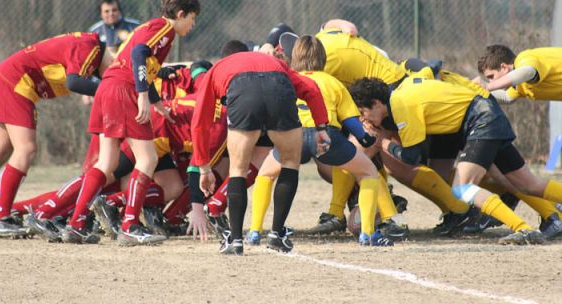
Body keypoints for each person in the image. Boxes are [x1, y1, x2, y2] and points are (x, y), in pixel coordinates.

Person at [350, 76, 562, 245]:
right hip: (484, 116)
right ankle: (523, 227)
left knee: (462, 187)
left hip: (480, 119)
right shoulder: (399, 95)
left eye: (363, 111)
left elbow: (411, 157)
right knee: (529, 185)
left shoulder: (400, 104)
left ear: (377, 103)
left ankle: (523, 229)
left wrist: (383, 142)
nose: (364, 118)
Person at [61, 0, 200, 246]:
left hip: (107, 88)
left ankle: (76, 224)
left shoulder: (150, 27)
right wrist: (143, 95)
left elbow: (143, 65)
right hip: (124, 90)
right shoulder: (165, 29)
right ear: (181, 14)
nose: (193, 24)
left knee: (106, 163)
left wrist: (157, 103)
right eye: (192, 18)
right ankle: (130, 226)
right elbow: (138, 56)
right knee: (147, 159)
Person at [0, 32, 113, 238]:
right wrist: (109, 88)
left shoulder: (89, 47)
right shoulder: (91, 47)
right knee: (26, 149)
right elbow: (74, 82)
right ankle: (0, 218)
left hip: (9, 76)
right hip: (17, 81)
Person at [247, 35, 391, 247]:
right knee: (368, 172)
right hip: (326, 136)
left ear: (294, 57)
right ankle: (368, 234)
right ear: (323, 58)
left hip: (292, 137)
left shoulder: (287, 79)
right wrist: (365, 138)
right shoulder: (333, 82)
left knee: (266, 175)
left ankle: (254, 231)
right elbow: (351, 121)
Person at [191, 47, 330, 255]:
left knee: (238, 168)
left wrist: (204, 168)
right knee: (290, 163)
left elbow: (200, 123)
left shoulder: (216, 69)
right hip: (278, 85)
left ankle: (235, 240)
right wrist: (321, 128)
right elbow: (311, 88)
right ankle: (276, 235)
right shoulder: (276, 63)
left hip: (242, 90)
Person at [476, 44, 562, 103]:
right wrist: (477, 91)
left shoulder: (524, 58)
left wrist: (488, 86)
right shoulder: (519, 85)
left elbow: (528, 71)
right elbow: (507, 97)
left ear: (504, 68)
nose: (491, 81)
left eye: (491, 76)